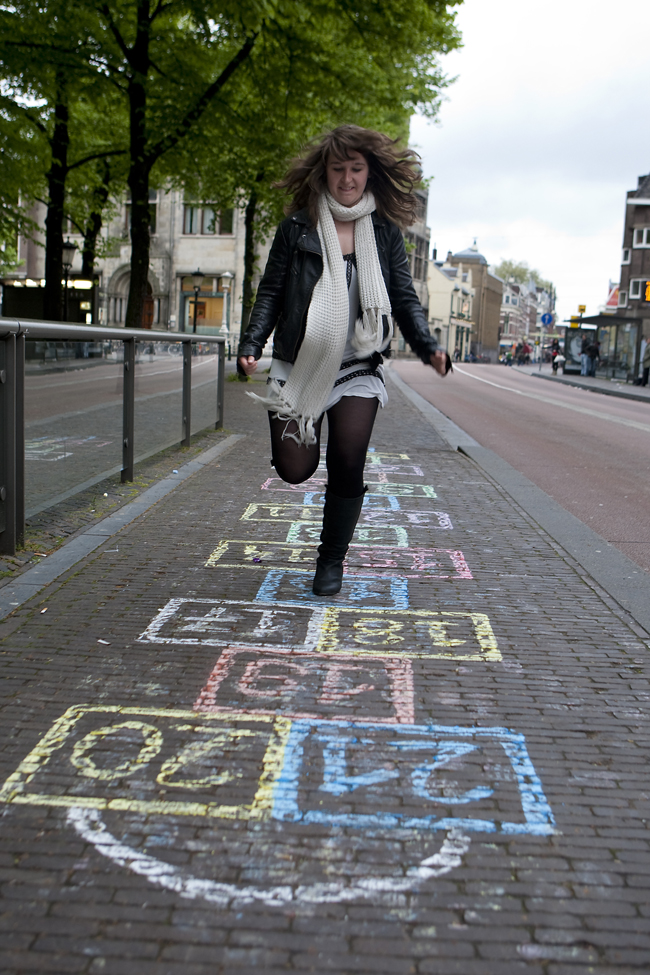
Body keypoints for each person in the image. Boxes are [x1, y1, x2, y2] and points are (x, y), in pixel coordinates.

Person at [237, 125, 449, 596]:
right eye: (339, 169)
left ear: (369, 172)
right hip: (301, 361)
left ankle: (330, 562)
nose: (347, 179)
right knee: (294, 468)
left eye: (356, 169)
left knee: (348, 460)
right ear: (325, 172)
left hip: (357, 365)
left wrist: (428, 345)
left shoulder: (385, 232)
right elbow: (271, 291)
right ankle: (303, 473)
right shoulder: (298, 227)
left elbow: (404, 298)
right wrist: (252, 342)